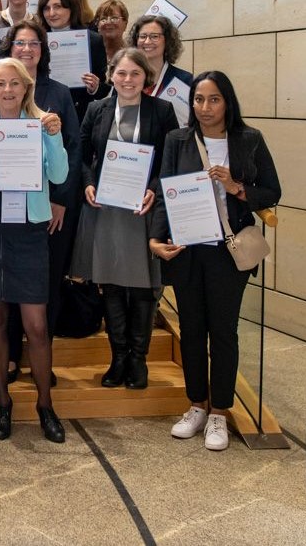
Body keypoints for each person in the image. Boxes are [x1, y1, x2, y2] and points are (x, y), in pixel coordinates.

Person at [152, 71, 281, 451]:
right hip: (188, 249)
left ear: (227, 102)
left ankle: (220, 412)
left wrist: (236, 186)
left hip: (228, 251)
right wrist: (156, 239)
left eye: (213, 100)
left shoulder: (248, 140)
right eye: (198, 100)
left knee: (222, 331)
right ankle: (196, 405)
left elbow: (273, 190)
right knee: (191, 329)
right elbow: (163, 191)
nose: (205, 108)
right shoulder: (177, 139)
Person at [0, 58, 69, 442]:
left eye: (14, 84)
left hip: (28, 231)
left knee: (36, 326)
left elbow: (59, 176)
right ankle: (2, 402)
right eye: (0, 84)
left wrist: (54, 137)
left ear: (26, 88)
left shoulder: (43, 126)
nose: (7, 90)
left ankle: (45, 404)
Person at [72, 48, 179, 391]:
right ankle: (117, 357)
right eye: (121, 73)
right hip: (106, 208)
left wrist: (152, 188)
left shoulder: (162, 111)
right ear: (111, 75)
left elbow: (171, 159)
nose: (128, 80)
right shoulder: (96, 108)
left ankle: (138, 359)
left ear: (145, 77)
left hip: (143, 209)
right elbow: (83, 152)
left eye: (135, 74)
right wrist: (88, 183)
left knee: (144, 286)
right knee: (112, 283)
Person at [37, 0, 106, 121]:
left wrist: (95, 87)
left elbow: (103, 88)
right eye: (46, 8)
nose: (52, 13)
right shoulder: (36, 41)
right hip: (44, 113)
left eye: (58, 7)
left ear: (71, 8)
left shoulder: (93, 40)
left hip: (81, 115)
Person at [130, 14, 194, 125]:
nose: (147, 41)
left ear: (167, 41)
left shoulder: (184, 80)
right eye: (142, 36)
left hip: (171, 140)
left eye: (154, 36)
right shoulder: (126, 79)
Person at [94, 0, 129, 64]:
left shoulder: (133, 54)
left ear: (125, 24)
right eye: (103, 19)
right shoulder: (91, 54)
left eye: (114, 18)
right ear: (97, 25)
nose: (108, 22)